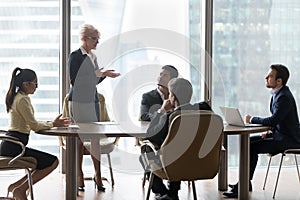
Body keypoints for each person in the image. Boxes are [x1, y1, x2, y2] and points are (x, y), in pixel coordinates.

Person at [223, 64, 300, 198]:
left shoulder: (284, 97)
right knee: (249, 142)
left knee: (250, 146)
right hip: (280, 136)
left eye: (270, 76)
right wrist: (270, 132)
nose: (266, 77)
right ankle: (245, 182)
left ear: (279, 81)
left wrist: (252, 119)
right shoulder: (277, 94)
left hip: (289, 141)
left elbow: (273, 120)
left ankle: (243, 184)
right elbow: (280, 122)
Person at [0, 67, 71, 200]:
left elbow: (32, 122)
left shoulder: (19, 97)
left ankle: (16, 187)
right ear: (26, 84)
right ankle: (20, 189)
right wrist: (54, 124)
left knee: (43, 162)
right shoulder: (22, 100)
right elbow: (34, 126)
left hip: (11, 144)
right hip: (15, 147)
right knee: (53, 162)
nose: (37, 87)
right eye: (35, 84)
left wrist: (51, 123)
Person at [67, 23, 120, 192]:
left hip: (92, 100)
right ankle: (79, 174)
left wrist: (104, 75)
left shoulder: (93, 57)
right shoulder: (75, 56)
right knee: (80, 138)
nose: (97, 42)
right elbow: (75, 81)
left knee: (95, 137)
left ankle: (98, 174)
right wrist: (99, 73)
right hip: (78, 101)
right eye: (95, 39)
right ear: (84, 39)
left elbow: (93, 81)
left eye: (98, 39)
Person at [143, 78, 199, 200]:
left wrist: (161, 111)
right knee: (178, 150)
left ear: (172, 97)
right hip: (199, 162)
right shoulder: (204, 111)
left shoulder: (169, 117)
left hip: (172, 165)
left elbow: (150, 136)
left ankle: (163, 193)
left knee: (146, 150)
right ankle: (172, 193)